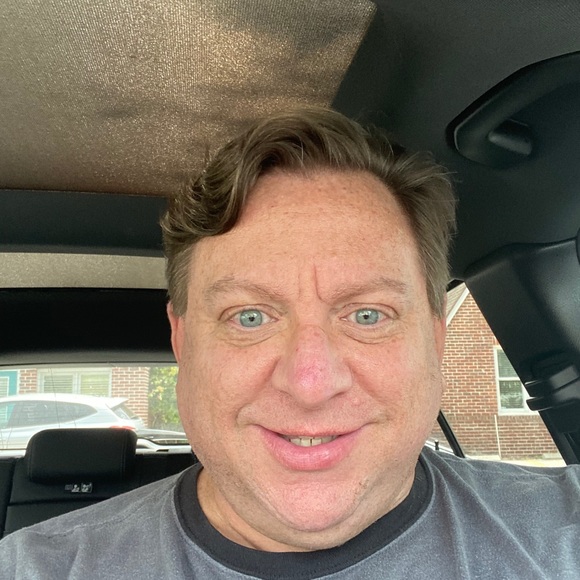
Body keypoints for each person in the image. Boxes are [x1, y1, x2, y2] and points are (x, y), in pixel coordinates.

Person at [1, 107, 579, 579]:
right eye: (249, 316)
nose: (310, 383)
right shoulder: (33, 568)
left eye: (368, 314)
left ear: (434, 337)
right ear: (182, 339)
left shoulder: (565, 530)